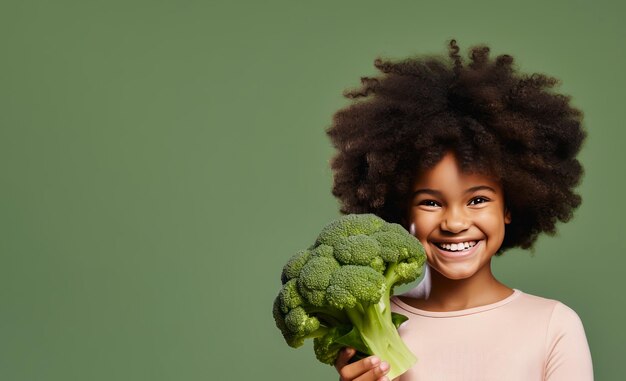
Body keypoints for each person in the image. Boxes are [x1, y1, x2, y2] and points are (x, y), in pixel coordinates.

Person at [326, 40, 593, 381]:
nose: (454, 222)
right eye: (431, 202)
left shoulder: (554, 325)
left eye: (478, 200)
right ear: (402, 211)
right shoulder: (373, 325)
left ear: (509, 206)